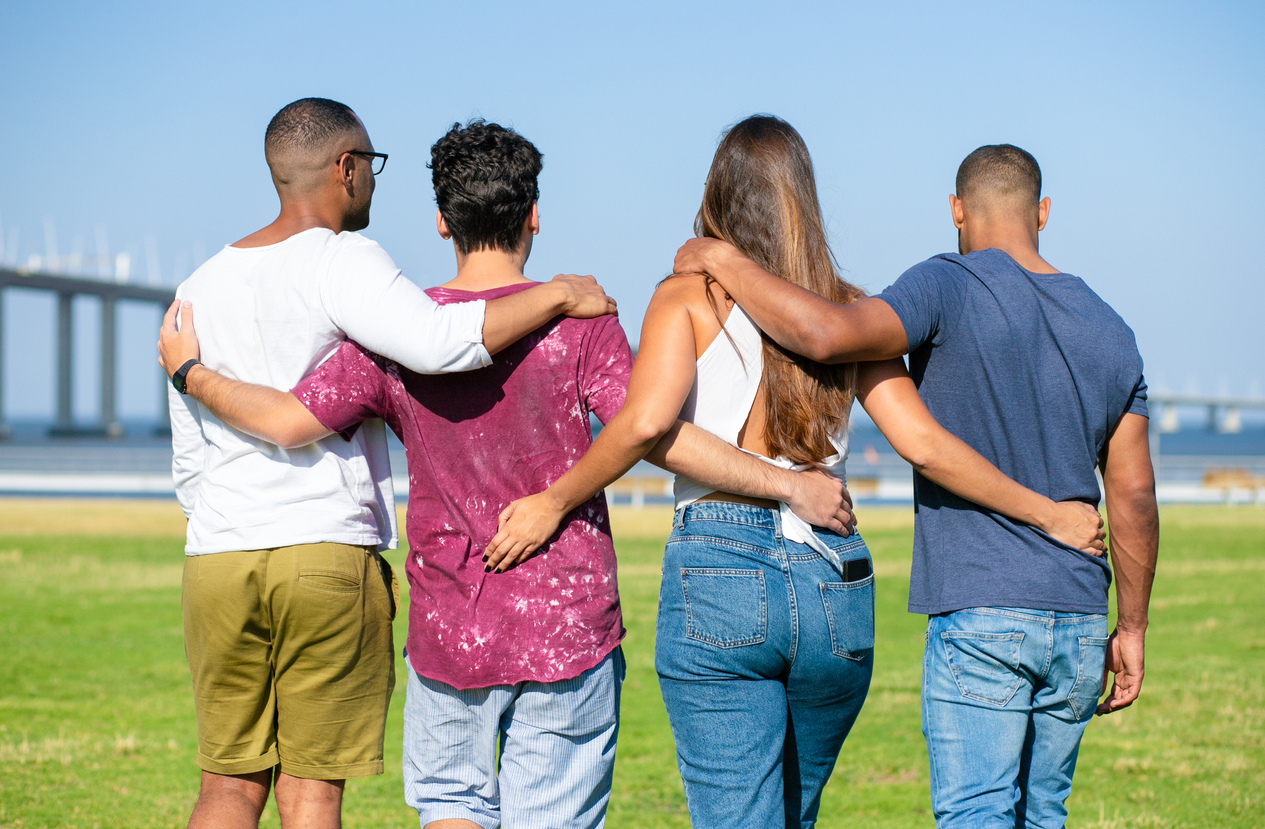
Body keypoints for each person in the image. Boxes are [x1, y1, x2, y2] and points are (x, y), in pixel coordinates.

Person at [159, 118, 855, 829]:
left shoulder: (392, 335)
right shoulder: (583, 323)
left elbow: (286, 420)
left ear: (439, 221)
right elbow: (653, 435)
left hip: (447, 623)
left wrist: (191, 372)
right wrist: (783, 481)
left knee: (452, 806)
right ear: (532, 216)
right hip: (568, 623)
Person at [487, 117, 1106, 829]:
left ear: (717, 194)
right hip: (833, 578)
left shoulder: (685, 297)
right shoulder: (848, 307)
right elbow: (923, 442)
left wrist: (553, 499)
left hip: (718, 565)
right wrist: (1047, 510)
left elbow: (647, 425)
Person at [165, 98, 623, 829]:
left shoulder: (202, 288)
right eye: (370, 167)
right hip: (375, 559)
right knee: (318, 789)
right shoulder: (355, 267)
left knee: (234, 784)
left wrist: (190, 374)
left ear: (443, 220)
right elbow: (448, 346)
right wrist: (561, 293)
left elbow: (228, 442)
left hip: (250, 559)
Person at [673, 142, 1160, 827]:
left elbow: (826, 333)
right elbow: (1134, 497)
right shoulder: (1113, 331)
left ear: (956, 210)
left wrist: (722, 258)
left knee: (974, 813)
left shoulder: (945, 283)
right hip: (1080, 615)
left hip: (982, 608)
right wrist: (1131, 626)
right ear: (1042, 212)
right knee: (1043, 815)